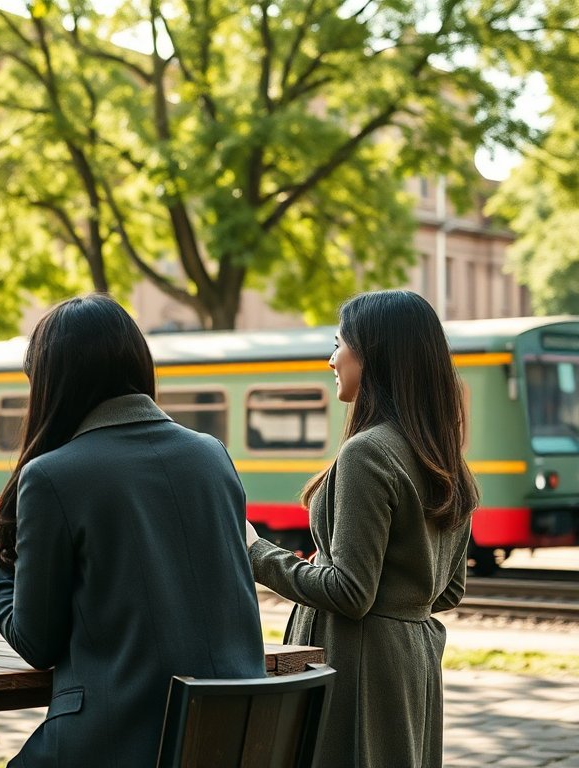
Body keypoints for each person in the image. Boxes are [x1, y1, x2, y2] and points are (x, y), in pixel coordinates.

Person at [0, 293, 265, 766]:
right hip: (229, 739)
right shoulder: (211, 455)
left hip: (118, 739)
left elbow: (36, 642)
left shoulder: (54, 475)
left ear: (53, 382)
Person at [245, 289, 475, 768]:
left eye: (338, 343)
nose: (332, 358)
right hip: (412, 666)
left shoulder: (367, 453)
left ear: (371, 354)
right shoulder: (444, 459)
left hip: (354, 667)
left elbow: (350, 591)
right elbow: (449, 591)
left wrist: (254, 552)